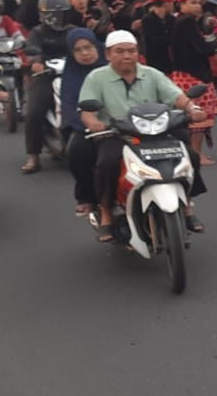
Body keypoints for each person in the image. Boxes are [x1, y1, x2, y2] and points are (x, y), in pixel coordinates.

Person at [79, 30, 208, 246]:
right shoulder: (96, 77)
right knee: (106, 163)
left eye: (131, 51)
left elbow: (176, 96)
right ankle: (106, 212)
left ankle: (187, 205)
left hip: (156, 133)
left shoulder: (152, 74)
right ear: (108, 54)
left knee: (190, 156)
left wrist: (192, 108)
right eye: (120, 51)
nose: (127, 56)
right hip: (118, 135)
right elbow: (86, 111)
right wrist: (94, 123)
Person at [21, 0, 76, 174]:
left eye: (64, 13)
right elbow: (32, 50)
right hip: (45, 75)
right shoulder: (37, 32)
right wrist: (36, 62)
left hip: (71, 75)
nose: (61, 18)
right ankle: (33, 156)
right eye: (57, 14)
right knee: (34, 111)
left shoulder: (73, 31)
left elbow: (85, 46)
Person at [169, 0, 217, 164]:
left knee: (189, 116)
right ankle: (196, 154)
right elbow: (200, 48)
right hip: (193, 74)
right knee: (199, 116)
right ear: (181, 4)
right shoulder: (187, 22)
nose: (197, 6)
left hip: (183, 73)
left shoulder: (181, 20)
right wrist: (216, 44)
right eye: (192, 2)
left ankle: (191, 153)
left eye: (198, 3)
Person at [61, 29, 106, 216]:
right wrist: (87, 125)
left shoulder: (114, 65)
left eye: (88, 47)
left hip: (121, 121)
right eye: (78, 50)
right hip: (87, 126)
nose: (85, 53)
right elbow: (69, 104)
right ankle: (86, 197)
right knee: (77, 151)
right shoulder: (71, 73)